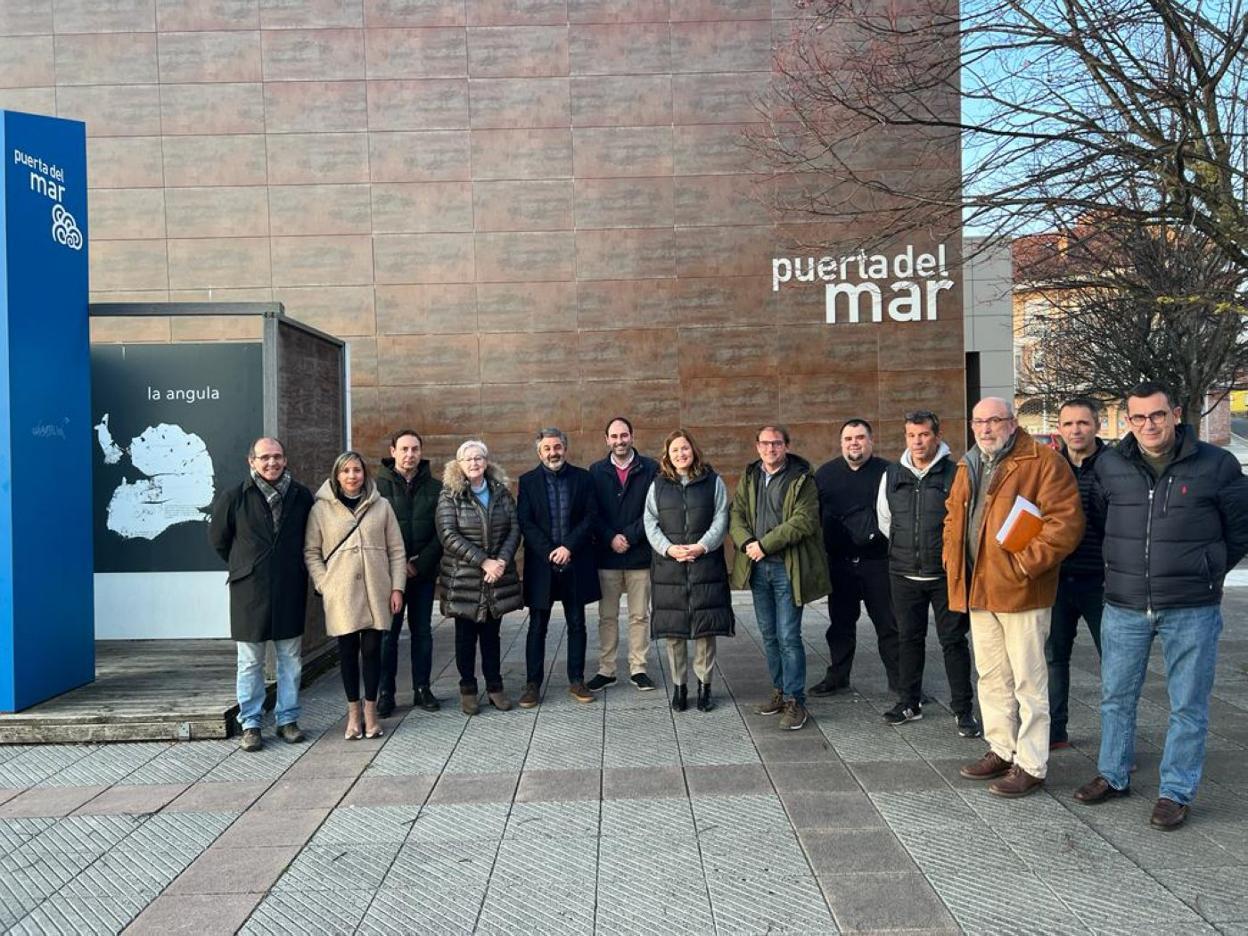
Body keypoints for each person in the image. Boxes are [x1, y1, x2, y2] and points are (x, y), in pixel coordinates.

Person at [1074, 382, 1248, 828]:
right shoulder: (1111, 465)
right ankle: (1113, 775)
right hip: (1125, 604)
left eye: (1157, 415)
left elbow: (1240, 529)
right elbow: (1100, 520)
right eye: (1138, 417)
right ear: (1127, 420)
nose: (1148, 425)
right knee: (1116, 697)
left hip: (1191, 607)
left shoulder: (1217, 464)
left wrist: (1209, 570)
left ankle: (1175, 791)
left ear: (1175, 414)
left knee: (1188, 703)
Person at [944, 397, 1083, 798]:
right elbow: (953, 517)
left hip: (1022, 590)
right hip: (978, 588)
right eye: (978, 422)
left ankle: (1032, 764)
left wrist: (1025, 564)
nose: (986, 428)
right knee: (991, 676)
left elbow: (1065, 523)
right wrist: (951, 558)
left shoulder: (1043, 462)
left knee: (1028, 680)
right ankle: (1002, 749)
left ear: (1012, 422)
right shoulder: (968, 464)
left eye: (994, 420)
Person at [877, 411, 981, 738]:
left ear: (937, 435)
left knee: (953, 642)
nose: (917, 441)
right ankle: (909, 703)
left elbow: (966, 521)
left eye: (923, 435)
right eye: (911, 435)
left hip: (945, 574)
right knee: (908, 639)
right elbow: (885, 519)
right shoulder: (892, 474)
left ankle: (963, 710)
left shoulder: (955, 472)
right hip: (903, 573)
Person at [209, 437, 314, 752]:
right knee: (250, 662)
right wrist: (247, 566)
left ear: (285, 460)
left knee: (290, 660)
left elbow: (311, 537)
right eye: (265, 457)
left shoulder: (301, 496)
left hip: (289, 587)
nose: (272, 463)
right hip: (249, 591)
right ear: (251, 461)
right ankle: (251, 724)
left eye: (277, 456)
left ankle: (287, 720)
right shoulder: (235, 497)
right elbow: (219, 540)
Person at [730, 425, 829, 731]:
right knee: (769, 635)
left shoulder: (802, 479)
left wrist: (764, 545)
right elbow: (737, 515)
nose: (770, 448)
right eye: (764, 443)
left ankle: (796, 700)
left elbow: (804, 520)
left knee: (788, 636)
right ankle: (780, 691)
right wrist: (748, 543)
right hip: (758, 568)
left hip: (788, 568)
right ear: (757, 446)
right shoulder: (751, 476)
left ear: (786, 446)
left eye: (776, 443)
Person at [304, 451, 407, 740]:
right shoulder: (321, 509)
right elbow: (311, 551)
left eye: (357, 470)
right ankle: (353, 714)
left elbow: (397, 550)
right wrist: (324, 583)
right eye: (346, 471)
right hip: (342, 592)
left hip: (376, 589)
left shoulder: (381, 506)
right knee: (347, 652)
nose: (352, 476)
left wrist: (397, 587)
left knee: (373, 650)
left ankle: (371, 712)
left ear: (365, 474)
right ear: (337, 475)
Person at [645, 429, 734, 712]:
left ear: (693, 450)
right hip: (669, 570)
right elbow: (650, 521)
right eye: (675, 450)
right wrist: (668, 549)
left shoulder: (712, 481)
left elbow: (721, 517)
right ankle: (679, 687)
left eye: (684, 448)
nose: (680, 454)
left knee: (705, 631)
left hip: (705, 566)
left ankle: (705, 686)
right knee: (675, 633)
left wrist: (702, 546)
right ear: (667, 455)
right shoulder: (658, 485)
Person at [812, 418, 899, 694]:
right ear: (841, 443)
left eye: (860, 437)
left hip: (878, 563)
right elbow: (814, 518)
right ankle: (838, 677)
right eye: (848, 439)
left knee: (889, 626)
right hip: (840, 564)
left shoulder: (889, 472)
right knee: (840, 626)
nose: (854, 443)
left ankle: (901, 683)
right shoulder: (825, 475)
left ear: (871, 441)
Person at [436, 440, 522, 716]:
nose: (474, 463)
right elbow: (448, 534)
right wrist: (483, 561)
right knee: (465, 637)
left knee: (492, 637)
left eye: (479, 458)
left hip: (495, 577)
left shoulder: (500, 492)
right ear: (459, 464)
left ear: (486, 462)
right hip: (464, 578)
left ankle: (495, 686)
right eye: (468, 459)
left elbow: (514, 528)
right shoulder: (450, 494)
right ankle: (468, 689)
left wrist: (501, 562)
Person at [517, 428, 601, 707]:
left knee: (577, 624)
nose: (553, 453)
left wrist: (568, 547)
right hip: (541, 566)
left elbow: (591, 516)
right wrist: (550, 551)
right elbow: (525, 522)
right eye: (547, 448)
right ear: (539, 452)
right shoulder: (527, 482)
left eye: (557, 447)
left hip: (575, 562)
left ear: (565, 448)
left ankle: (577, 680)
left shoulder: (583, 478)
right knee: (537, 626)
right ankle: (532, 684)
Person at [1046, 397, 1108, 749]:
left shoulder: (1114, 466)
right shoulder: (1051, 468)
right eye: (1068, 423)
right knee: (1054, 658)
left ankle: (1116, 741)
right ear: (1059, 428)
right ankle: (1055, 731)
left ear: (1097, 425)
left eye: (1083, 423)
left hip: (1102, 582)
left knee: (1114, 663)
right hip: (1057, 579)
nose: (1076, 430)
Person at [587, 417, 659, 692]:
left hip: (639, 555)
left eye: (624, 435)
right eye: (614, 436)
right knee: (607, 616)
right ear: (606, 439)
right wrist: (610, 537)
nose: (620, 441)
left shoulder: (651, 469)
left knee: (639, 615)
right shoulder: (596, 471)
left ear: (632, 436)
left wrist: (629, 536)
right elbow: (592, 512)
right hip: (607, 556)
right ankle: (606, 670)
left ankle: (638, 668)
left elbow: (654, 510)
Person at [375, 429, 443, 717]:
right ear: (393, 451)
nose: (409, 454)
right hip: (389, 576)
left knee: (422, 632)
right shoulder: (376, 487)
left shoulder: (437, 488)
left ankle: (422, 688)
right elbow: (371, 531)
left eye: (415, 449)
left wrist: (421, 562)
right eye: (404, 449)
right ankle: (385, 693)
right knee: (387, 636)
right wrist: (397, 563)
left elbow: (443, 530)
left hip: (422, 574)